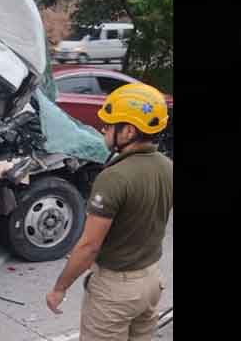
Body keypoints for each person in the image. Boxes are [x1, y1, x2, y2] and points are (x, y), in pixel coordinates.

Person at [44, 83, 173, 341]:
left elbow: (89, 246)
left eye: (109, 125)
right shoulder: (167, 166)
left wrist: (60, 287)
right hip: (151, 282)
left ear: (128, 131)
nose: (103, 130)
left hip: (116, 292)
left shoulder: (114, 178)